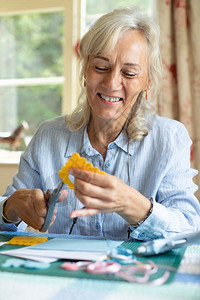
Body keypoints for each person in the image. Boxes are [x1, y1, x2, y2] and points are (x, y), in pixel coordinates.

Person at [0, 7, 200, 240]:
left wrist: (133, 205)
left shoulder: (170, 139)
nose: (112, 82)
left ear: (148, 82)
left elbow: (189, 229)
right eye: (101, 67)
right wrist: (10, 209)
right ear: (85, 70)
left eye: (129, 73)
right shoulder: (48, 136)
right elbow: (8, 219)